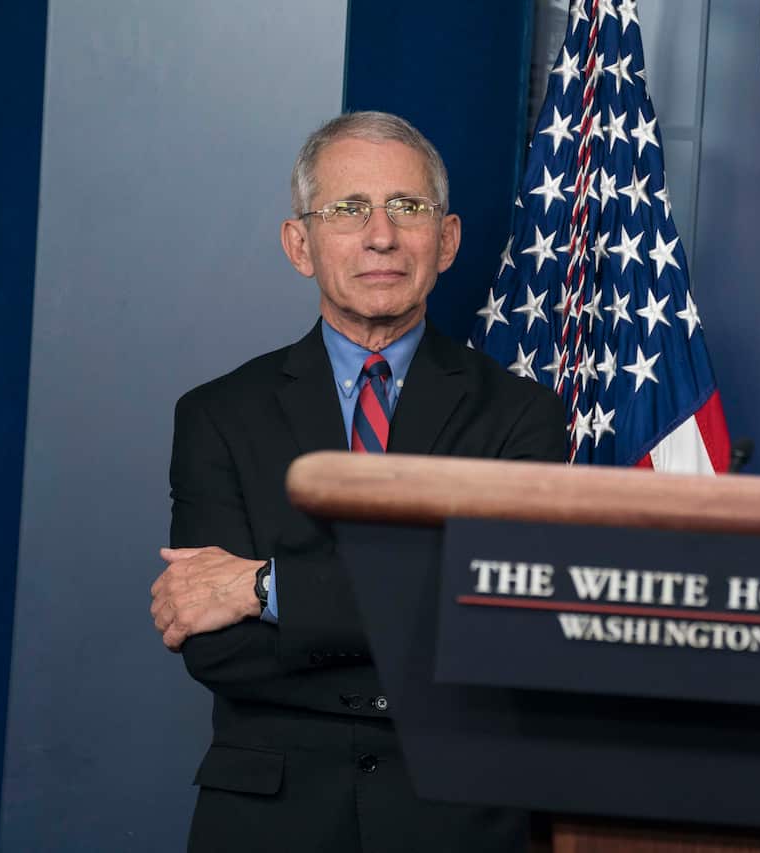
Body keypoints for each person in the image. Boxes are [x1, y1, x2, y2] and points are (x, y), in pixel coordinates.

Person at [149, 111, 566, 852]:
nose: (381, 235)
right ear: (299, 245)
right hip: (267, 821)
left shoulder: (523, 417)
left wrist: (263, 589)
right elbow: (217, 652)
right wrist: (420, 621)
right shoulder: (217, 415)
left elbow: (502, 618)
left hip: (454, 821)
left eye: (408, 208)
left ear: (447, 240)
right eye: (347, 209)